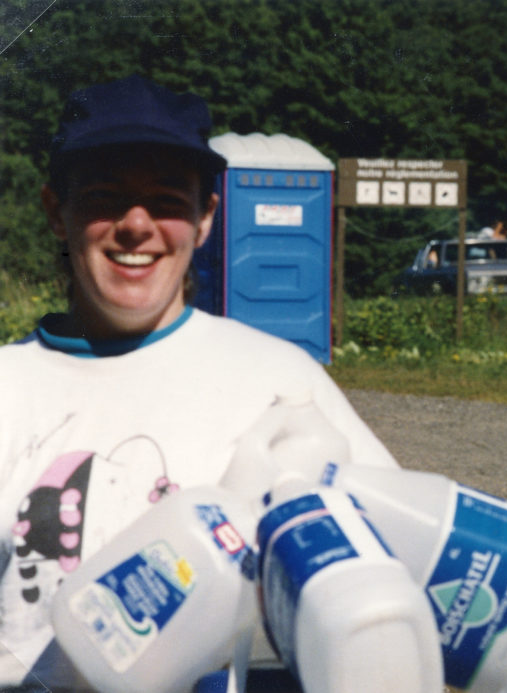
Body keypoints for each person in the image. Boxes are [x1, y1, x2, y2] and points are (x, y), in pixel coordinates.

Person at [0, 75, 398, 690]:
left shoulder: (279, 381)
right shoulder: (9, 385)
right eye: (105, 196)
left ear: (206, 217)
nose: (137, 225)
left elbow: (393, 573)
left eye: (165, 199)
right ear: (58, 211)